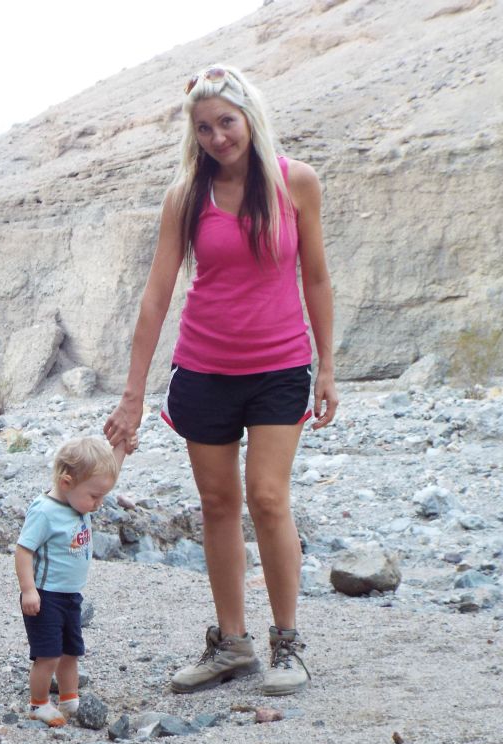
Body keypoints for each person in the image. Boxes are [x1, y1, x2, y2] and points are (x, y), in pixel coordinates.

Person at [103, 64, 338, 698]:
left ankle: (286, 643)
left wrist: (328, 367)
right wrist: (133, 392)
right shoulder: (186, 195)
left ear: (249, 118)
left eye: (226, 123)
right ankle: (232, 645)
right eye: (203, 127)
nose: (217, 137)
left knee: (266, 497)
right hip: (203, 369)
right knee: (216, 506)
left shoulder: (296, 183)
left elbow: (315, 277)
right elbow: (156, 297)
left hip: (280, 366)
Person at [14, 435, 131, 726]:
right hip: (45, 596)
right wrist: (28, 590)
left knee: (71, 653)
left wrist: (122, 448)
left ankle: (69, 699)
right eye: (94, 497)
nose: (98, 503)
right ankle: (39, 703)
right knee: (48, 655)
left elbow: (106, 473)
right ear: (66, 483)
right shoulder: (45, 511)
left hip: (70, 596)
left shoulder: (79, 499)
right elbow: (23, 550)